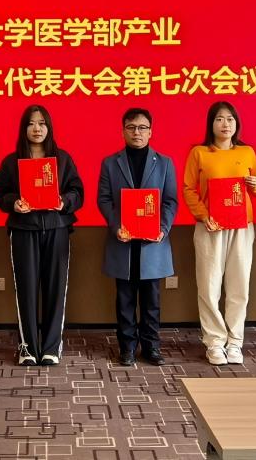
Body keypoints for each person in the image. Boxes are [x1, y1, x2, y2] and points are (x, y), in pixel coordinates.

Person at [0, 105, 84, 366]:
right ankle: (28, 347)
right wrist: (14, 203)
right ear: (24, 128)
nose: (36, 128)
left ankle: (52, 347)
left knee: (56, 288)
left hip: (57, 229)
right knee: (26, 289)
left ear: (49, 127)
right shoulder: (12, 161)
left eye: (42, 123)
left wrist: (64, 202)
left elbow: (78, 192)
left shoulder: (63, 159)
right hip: (24, 230)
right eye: (31, 124)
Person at [182, 101, 256, 366]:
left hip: (242, 227)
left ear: (236, 123)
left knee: (239, 285)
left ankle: (235, 342)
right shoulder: (199, 153)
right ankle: (215, 342)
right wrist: (204, 216)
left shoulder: (247, 152)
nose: (225, 124)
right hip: (210, 227)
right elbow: (188, 189)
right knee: (209, 285)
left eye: (230, 119)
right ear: (211, 124)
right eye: (219, 119)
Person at [97, 108, 178, 367]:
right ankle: (127, 347)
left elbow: (170, 201)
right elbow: (104, 199)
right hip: (123, 240)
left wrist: (162, 228)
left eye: (142, 127)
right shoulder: (110, 163)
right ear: (123, 131)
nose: (137, 132)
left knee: (151, 300)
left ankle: (151, 346)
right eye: (131, 127)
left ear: (151, 132)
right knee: (125, 299)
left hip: (152, 243)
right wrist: (116, 226)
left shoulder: (164, 163)